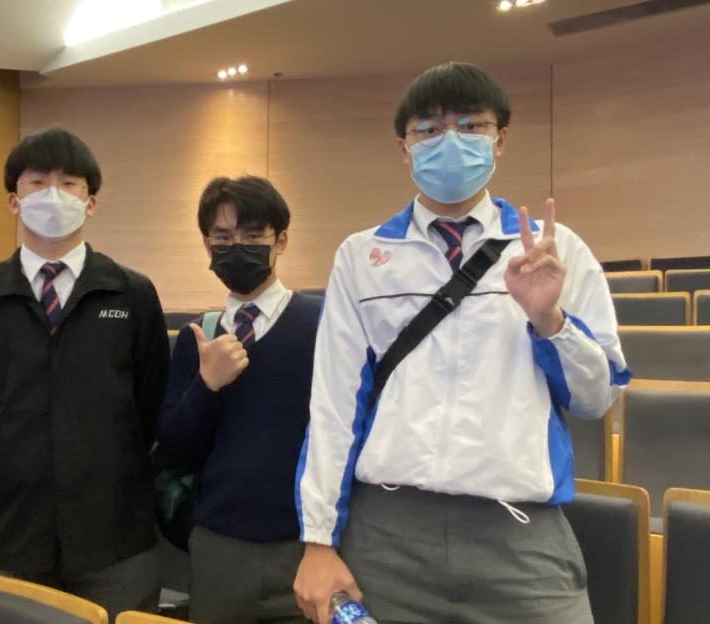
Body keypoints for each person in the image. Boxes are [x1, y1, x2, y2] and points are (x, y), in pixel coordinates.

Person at [293, 62, 630, 624]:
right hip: (387, 538)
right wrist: (318, 542)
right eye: (428, 129)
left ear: (500, 140)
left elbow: (596, 399)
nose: (450, 140)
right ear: (404, 148)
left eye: (471, 125)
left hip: (520, 539)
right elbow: (333, 409)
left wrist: (549, 320)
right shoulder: (361, 256)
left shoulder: (556, 251)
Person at [0, 128, 170, 617]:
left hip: (115, 536)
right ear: (14, 200)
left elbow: (149, 405)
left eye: (69, 183)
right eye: (37, 182)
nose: (54, 195)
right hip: (12, 535)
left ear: (90, 202)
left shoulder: (131, 294)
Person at [157, 176, 319, 624]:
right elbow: (173, 450)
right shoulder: (198, 336)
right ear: (207, 245)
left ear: (280, 241)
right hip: (219, 547)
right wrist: (206, 385)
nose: (236, 248)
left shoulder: (322, 324)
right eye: (223, 238)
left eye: (252, 237)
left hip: (306, 546)